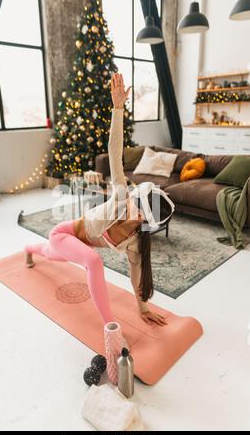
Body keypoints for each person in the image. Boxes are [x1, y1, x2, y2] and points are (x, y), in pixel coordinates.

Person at [24, 73, 175, 327]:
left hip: (79, 247)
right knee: (87, 260)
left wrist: (143, 308)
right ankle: (110, 327)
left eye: (135, 205)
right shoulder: (120, 196)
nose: (130, 201)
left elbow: (136, 274)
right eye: (134, 197)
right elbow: (114, 153)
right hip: (64, 234)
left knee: (52, 255)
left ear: (141, 219)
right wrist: (118, 108)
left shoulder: (137, 241)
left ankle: (28, 249)